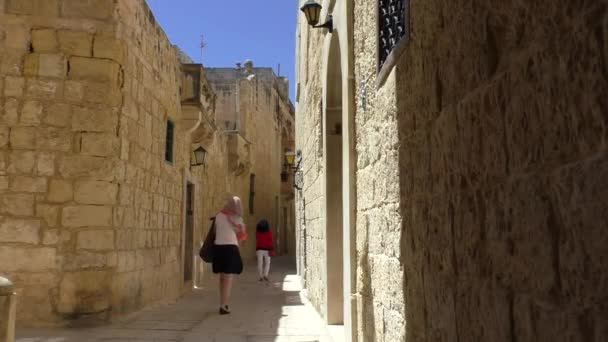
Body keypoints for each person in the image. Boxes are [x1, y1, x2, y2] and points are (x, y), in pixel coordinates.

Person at [213, 196, 247, 315]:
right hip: (230, 248)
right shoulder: (236, 218)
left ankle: (222, 303)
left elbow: (216, 231)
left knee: (222, 278)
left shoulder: (218, 216)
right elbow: (242, 235)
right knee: (228, 279)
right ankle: (224, 305)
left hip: (218, 248)